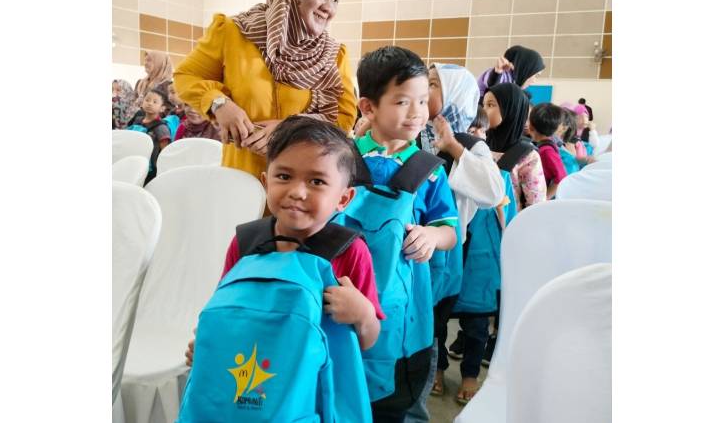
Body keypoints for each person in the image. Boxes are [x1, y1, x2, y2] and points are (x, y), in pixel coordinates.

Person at [182, 116, 383, 421]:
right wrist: (209, 346)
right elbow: (232, 314)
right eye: (284, 176)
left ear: (343, 198)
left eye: (317, 181)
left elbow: (368, 341)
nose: (297, 191)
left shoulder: (350, 252)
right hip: (250, 394)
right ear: (266, 182)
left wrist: (364, 315)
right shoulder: (245, 243)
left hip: (314, 393)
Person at [336, 46, 458, 423]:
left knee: (401, 402)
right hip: (342, 299)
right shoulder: (342, 159)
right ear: (368, 107)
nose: (417, 112)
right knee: (343, 392)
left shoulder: (429, 170)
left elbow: (450, 229)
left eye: (423, 101)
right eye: (403, 101)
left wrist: (432, 237)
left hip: (403, 312)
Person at [174, 0, 358, 181]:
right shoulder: (233, 33)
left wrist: (290, 130)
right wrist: (219, 104)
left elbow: (343, 121)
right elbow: (186, 76)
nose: (328, 7)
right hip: (241, 180)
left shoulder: (333, 55)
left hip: (301, 186)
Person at [420, 64, 504, 408]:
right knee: (423, 320)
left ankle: (434, 373)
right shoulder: (412, 134)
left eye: (435, 84)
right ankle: (433, 369)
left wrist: (454, 147)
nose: (425, 89)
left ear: (455, 94)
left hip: (452, 250)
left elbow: (493, 189)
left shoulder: (470, 145)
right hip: (413, 243)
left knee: (445, 316)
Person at [483, 83, 546, 210]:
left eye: (490, 105)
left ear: (511, 110)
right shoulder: (479, 145)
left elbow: (535, 204)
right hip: (475, 227)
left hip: (510, 226)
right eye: (483, 105)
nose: (483, 111)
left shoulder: (527, 156)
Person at [126, 87, 172, 184]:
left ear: (162, 108)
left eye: (155, 102)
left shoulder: (161, 128)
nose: (150, 103)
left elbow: (165, 151)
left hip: (149, 170)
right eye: (147, 100)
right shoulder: (137, 120)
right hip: (131, 161)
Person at [527, 103, 567, 200]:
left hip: (540, 200)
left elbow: (561, 177)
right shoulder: (541, 146)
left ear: (531, 125)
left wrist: (544, 199)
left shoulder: (547, 150)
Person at [475, 45, 545, 98]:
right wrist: (497, 72)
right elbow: (493, 85)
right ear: (526, 70)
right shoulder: (502, 74)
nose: (534, 81)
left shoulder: (514, 84)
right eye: (535, 75)